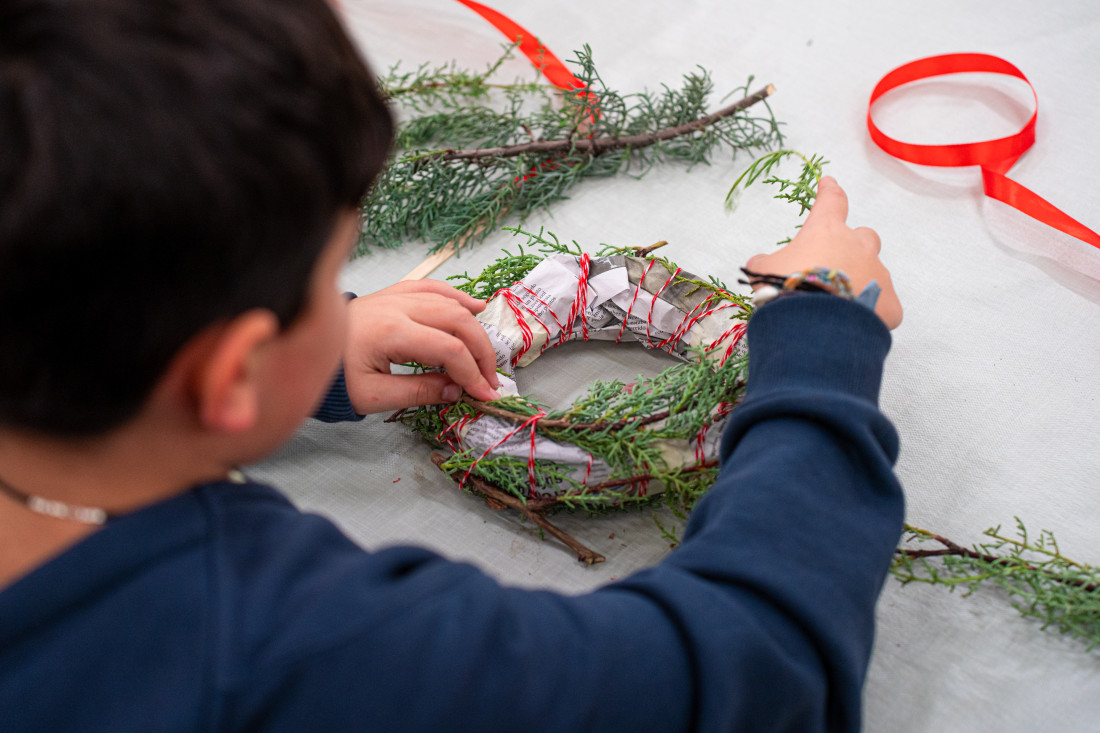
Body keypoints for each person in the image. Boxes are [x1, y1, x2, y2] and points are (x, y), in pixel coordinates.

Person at [0, 0, 903, 730]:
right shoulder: (285, 649)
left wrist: (307, 360)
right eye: (328, 279)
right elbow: (749, 670)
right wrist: (824, 339)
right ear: (228, 374)